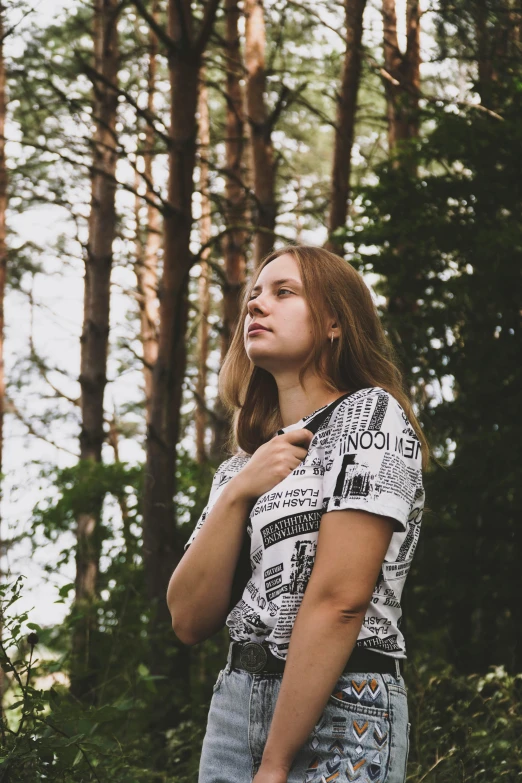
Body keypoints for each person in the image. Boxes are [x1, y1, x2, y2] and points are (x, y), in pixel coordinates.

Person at [167, 244, 430, 783]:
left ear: (335, 321)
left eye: (283, 293)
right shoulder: (245, 465)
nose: (256, 307)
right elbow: (188, 618)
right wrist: (240, 492)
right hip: (236, 705)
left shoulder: (370, 416)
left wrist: (275, 762)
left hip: (346, 702)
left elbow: (341, 600)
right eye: (254, 297)